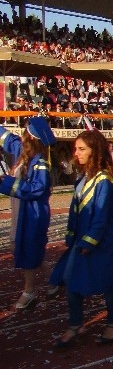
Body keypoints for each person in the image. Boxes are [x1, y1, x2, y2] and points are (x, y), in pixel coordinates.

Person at [53, 130, 113, 349]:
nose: (77, 153)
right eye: (76, 148)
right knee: (72, 281)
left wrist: (89, 242)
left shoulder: (105, 180)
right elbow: (76, 211)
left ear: (96, 151)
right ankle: (76, 324)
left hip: (99, 241)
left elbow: (101, 215)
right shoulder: (83, 178)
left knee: (107, 282)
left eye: (82, 149)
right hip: (81, 240)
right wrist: (72, 236)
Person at [0, 117, 55, 310]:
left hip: (32, 212)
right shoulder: (20, 153)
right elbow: (6, 138)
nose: (20, 136)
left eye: (24, 133)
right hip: (20, 208)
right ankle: (53, 276)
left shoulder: (40, 162)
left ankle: (30, 290)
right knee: (17, 247)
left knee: (27, 248)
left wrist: (4, 182)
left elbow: (37, 188)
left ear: (30, 138)